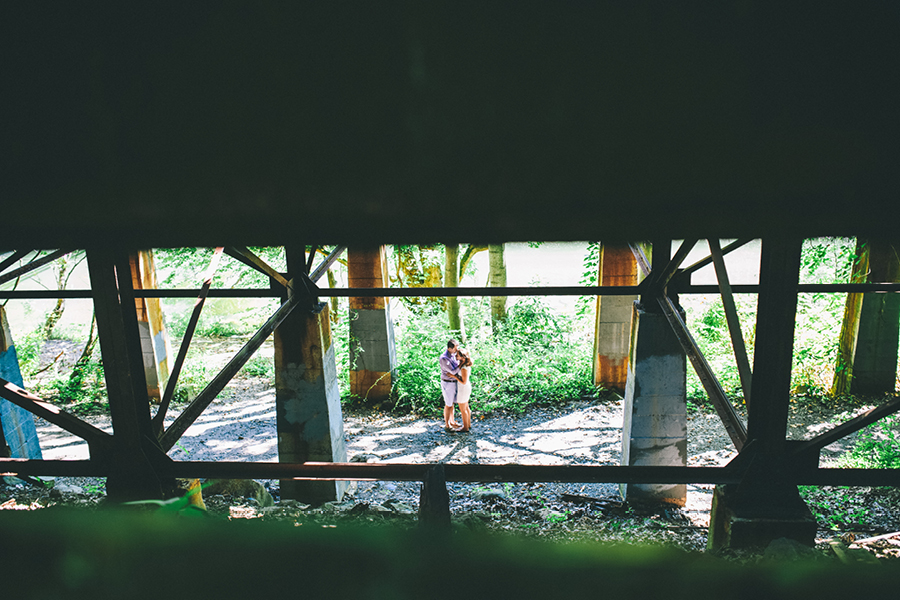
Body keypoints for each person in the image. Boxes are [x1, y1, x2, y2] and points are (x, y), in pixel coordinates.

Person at [439, 338, 463, 431]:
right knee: (448, 404)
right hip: (447, 382)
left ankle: (452, 422)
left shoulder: (453, 355)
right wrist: (461, 364)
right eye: (456, 347)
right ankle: (447, 425)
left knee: (451, 403)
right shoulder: (444, 358)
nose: (457, 349)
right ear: (449, 348)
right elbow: (453, 371)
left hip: (453, 382)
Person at [455, 347, 473, 432]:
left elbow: (464, 381)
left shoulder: (464, 368)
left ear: (462, 357)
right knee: (466, 407)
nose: (456, 356)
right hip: (465, 388)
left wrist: (454, 376)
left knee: (463, 409)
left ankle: (465, 427)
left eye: (457, 355)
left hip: (463, 388)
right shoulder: (464, 365)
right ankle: (468, 424)